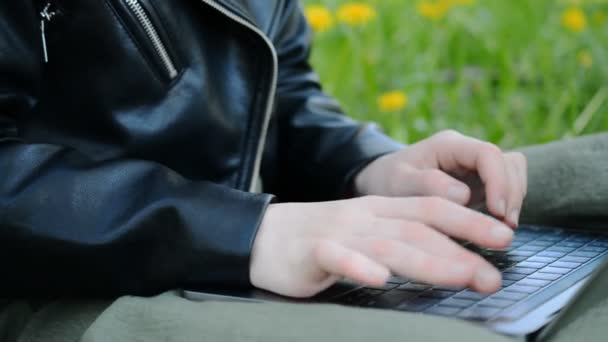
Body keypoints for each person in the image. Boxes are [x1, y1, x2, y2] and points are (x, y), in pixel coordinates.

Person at [0, 1, 531, 341]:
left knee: (560, 227)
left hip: (230, 261)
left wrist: (368, 164)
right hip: (58, 289)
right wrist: (245, 233)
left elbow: (280, 90)